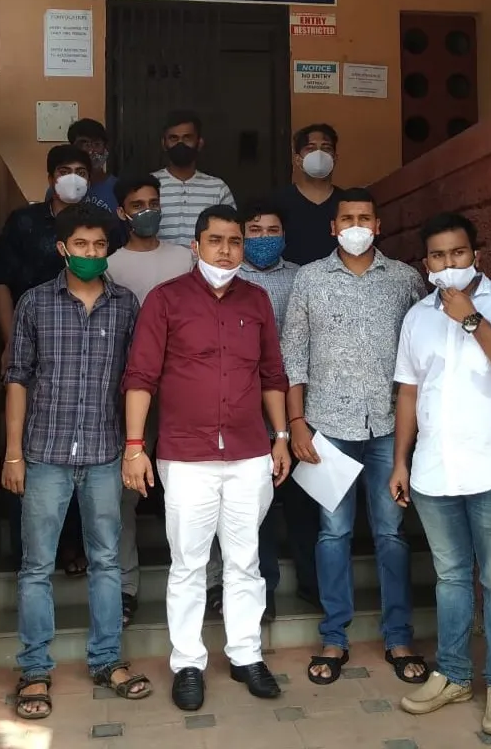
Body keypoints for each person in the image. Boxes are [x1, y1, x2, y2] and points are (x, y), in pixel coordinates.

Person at [122, 205, 290, 712]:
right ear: (195, 246)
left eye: (235, 241)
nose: (226, 250)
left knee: (245, 562)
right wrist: (135, 446)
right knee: (189, 564)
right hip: (186, 456)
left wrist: (281, 436)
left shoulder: (257, 300)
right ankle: (188, 663)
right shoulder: (165, 299)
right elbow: (140, 377)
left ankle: (246, 655)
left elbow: (272, 375)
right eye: (215, 240)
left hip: (248, 453)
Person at [390, 213, 491, 737]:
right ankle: (453, 675)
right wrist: (401, 460)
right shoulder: (417, 318)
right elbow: (408, 392)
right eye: (438, 256)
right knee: (451, 578)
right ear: (426, 264)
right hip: (434, 472)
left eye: (457, 253)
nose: (448, 264)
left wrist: (472, 319)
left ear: (476, 255)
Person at [2, 203, 151, 720]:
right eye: (81, 245)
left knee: (106, 561)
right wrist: (13, 453)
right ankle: (34, 669)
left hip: (105, 453)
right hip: (44, 453)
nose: (91, 253)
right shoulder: (34, 303)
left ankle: (107, 660)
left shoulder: (126, 305)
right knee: (36, 566)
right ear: (62, 248)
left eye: (99, 245)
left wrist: (135, 447)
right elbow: (17, 378)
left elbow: (137, 381)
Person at [280, 187, 428, 687]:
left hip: (388, 427)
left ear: (378, 225)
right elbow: (294, 357)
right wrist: (296, 423)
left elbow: (422, 352)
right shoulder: (309, 279)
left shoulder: (405, 279)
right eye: (348, 219)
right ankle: (334, 636)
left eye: (365, 217)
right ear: (333, 227)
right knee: (333, 533)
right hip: (327, 427)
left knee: (390, 533)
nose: (357, 226)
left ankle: (399, 636)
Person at [0, 144, 104, 577]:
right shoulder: (25, 222)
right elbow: (1, 281)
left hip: (82, 353)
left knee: (81, 450)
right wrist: (9, 341)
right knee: (30, 448)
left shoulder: (97, 223)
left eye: (81, 171)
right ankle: (33, 549)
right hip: (32, 348)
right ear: (51, 176)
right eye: (65, 170)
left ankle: (73, 544)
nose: (73, 177)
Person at [105, 174, 195, 626]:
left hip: (184, 389)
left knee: (194, 489)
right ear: (122, 212)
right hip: (131, 390)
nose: (148, 211)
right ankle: (125, 587)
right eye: (137, 204)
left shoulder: (184, 258)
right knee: (126, 493)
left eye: (153, 202)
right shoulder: (110, 263)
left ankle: (208, 581)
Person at [229, 199, 319, 621]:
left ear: (284, 234)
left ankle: (312, 583)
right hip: (248, 409)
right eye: (255, 231)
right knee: (256, 509)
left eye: (272, 230)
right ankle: (261, 592)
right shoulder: (229, 278)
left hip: (299, 406)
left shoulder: (303, 277)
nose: (263, 238)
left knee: (304, 503)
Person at [153, 110, 235, 246]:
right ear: (164, 143)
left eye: (187, 138)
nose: (180, 144)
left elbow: (231, 234)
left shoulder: (218, 188)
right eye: (173, 138)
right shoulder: (149, 186)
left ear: (199, 142)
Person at [274, 124, 342, 266]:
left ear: (335, 158)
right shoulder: (278, 202)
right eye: (310, 149)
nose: (319, 154)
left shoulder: (346, 203)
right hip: (291, 277)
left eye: (326, 148)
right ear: (298, 160)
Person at [44, 118, 120, 214]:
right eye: (83, 144)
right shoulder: (58, 188)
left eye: (97, 144)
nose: (90, 151)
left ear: (106, 149)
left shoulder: (118, 189)